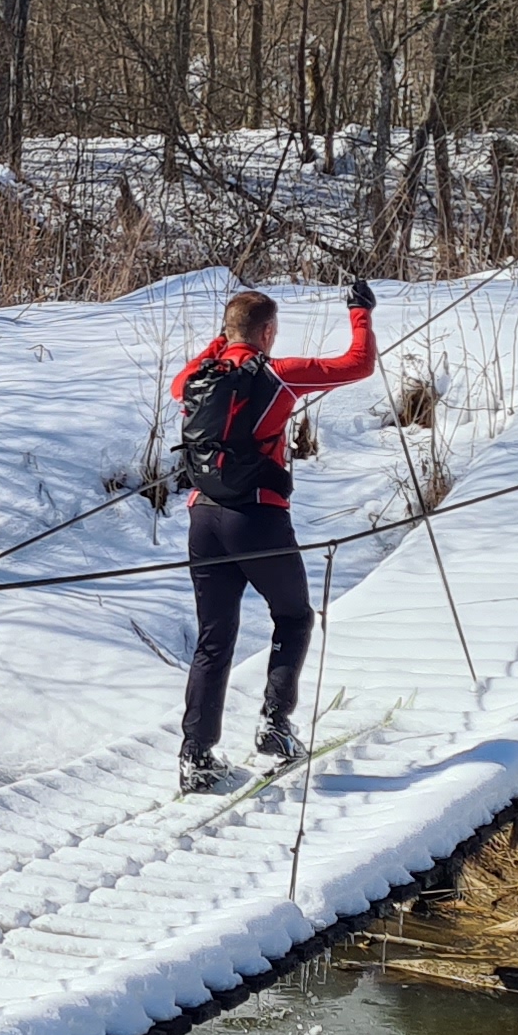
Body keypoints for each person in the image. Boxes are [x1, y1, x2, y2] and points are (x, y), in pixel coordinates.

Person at [167, 275, 375, 794]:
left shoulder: (195, 378)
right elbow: (358, 364)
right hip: (257, 516)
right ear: (267, 333)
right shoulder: (278, 375)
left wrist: (221, 344)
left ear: (227, 331)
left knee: (214, 638)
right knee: (294, 616)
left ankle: (196, 756)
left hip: (203, 517)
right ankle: (275, 726)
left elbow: (179, 386)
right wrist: (360, 312)